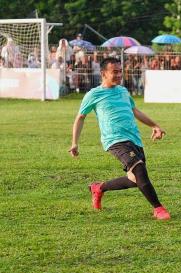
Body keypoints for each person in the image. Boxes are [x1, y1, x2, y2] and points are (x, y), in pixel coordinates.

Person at [68, 57, 171, 220]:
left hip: (134, 139)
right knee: (139, 170)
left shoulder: (123, 91)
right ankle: (158, 208)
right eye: (114, 72)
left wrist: (154, 125)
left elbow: (135, 111)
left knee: (135, 179)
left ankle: (99, 187)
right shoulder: (93, 94)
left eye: (120, 71)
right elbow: (80, 117)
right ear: (103, 73)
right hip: (115, 140)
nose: (118, 75)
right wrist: (75, 143)